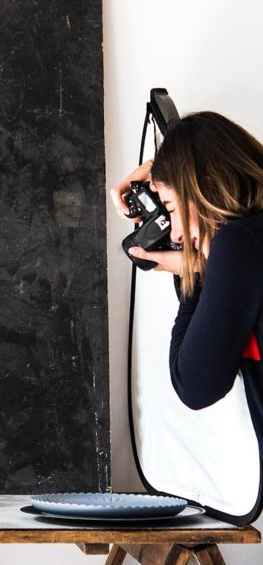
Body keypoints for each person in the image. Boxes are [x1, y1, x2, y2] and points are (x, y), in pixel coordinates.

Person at [110, 111, 263, 450]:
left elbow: (194, 385)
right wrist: (169, 168)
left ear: (205, 184)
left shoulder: (240, 244)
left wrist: (193, 273)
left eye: (171, 208)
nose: (175, 233)